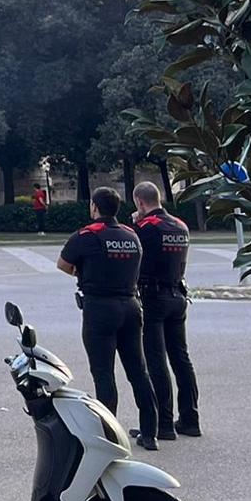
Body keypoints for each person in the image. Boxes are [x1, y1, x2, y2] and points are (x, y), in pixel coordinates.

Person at [58, 188, 159, 449]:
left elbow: (63, 264)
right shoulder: (131, 235)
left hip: (99, 308)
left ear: (94, 207)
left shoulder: (86, 235)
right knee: (138, 371)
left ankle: (108, 435)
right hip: (130, 305)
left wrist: (87, 271)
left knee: (104, 374)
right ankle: (150, 432)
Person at [133, 181, 201, 439]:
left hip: (154, 297)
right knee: (181, 358)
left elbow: (134, 251)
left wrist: (135, 223)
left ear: (140, 202)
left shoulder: (145, 228)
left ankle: (162, 423)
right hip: (178, 295)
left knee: (156, 359)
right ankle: (190, 418)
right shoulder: (180, 226)